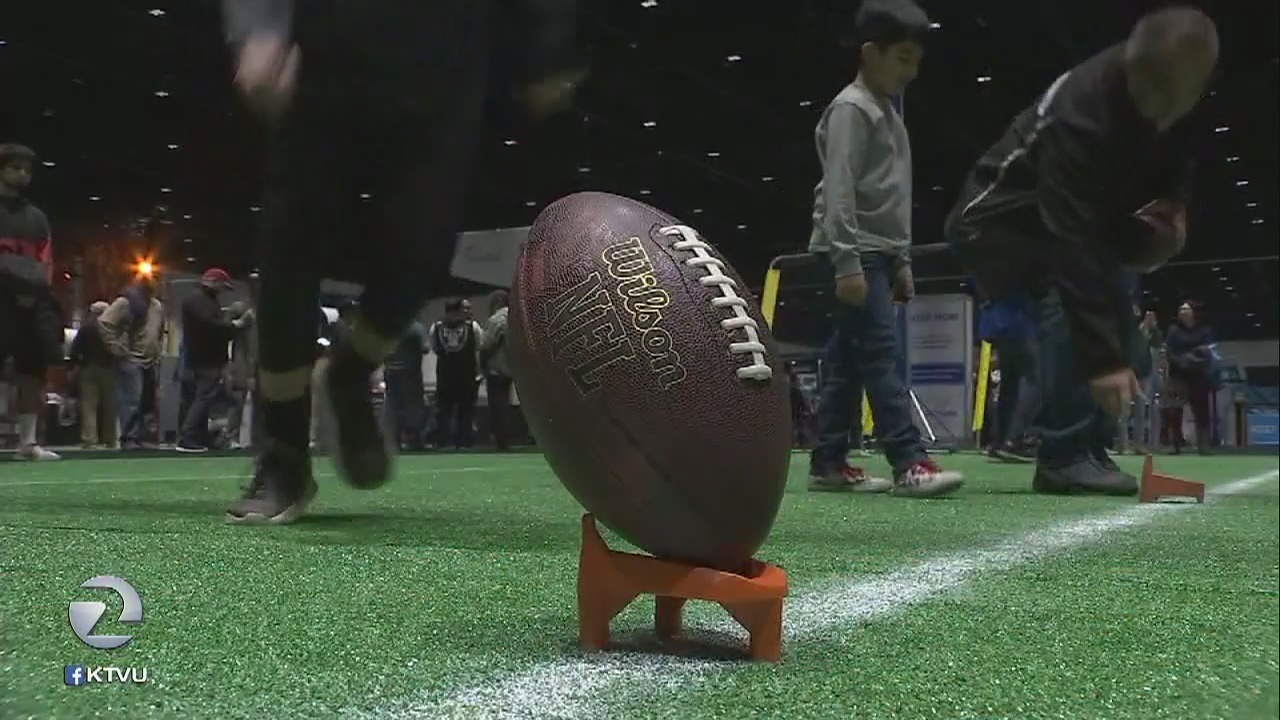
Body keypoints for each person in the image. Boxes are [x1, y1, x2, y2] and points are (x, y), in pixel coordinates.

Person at [220, 0, 582, 524]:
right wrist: (259, 27)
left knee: (425, 246)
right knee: (290, 243)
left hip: (443, 59)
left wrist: (549, 43)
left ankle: (351, 371)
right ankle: (283, 455)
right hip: (325, 50)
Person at [946, 7, 1217, 494]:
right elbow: (1070, 246)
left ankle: (1089, 446)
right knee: (1075, 308)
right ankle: (1063, 455)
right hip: (996, 224)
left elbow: (1178, 148)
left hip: (1075, 221)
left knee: (1131, 351)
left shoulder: (1177, 93)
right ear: (1133, 68)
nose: (1158, 111)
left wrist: (1175, 205)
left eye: (1172, 101)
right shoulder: (1080, 115)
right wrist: (1098, 362)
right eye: (1148, 96)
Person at [805, 0, 963, 497]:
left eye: (916, 60)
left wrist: (903, 261)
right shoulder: (852, 109)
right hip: (853, 251)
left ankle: (828, 462)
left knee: (849, 363)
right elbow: (840, 190)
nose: (911, 71)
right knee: (880, 357)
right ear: (870, 53)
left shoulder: (888, 114)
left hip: (878, 252)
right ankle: (908, 461)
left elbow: (893, 196)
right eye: (902, 58)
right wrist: (848, 262)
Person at [0, 143, 64, 461]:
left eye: (27, 170)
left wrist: (35, 293)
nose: (23, 175)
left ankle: (27, 443)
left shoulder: (37, 218)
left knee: (31, 372)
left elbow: (46, 261)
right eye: (15, 168)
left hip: (30, 304)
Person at [177, 268, 242, 453]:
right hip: (205, 358)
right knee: (203, 398)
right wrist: (233, 326)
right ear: (213, 282)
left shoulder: (200, 299)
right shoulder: (199, 300)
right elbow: (209, 326)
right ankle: (188, 437)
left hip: (204, 357)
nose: (222, 291)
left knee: (202, 398)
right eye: (222, 286)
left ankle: (198, 436)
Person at [99, 277, 165, 450]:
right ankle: (129, 437)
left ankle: (143, 436)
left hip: (150, 360)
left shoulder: (157, 306)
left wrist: (158, 350)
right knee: (131, 400)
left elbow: (159, 331)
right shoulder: (125, 303)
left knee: (147, 401)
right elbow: (105, 323)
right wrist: (117, 348)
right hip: (131, 359)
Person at [980, 295, 1040, 462]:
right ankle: (1015, 439)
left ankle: (1000, 441)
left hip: (998, 320)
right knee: (1036, 377)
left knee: (1010, 381)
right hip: (1021, 316)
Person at [430, 299, 484, 450]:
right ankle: (454, 441)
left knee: (458, 410)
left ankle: (455, 441)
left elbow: (435, 348)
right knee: (451, 410)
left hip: (456, 374)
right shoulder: (470, 327)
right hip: (455, 374)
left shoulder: (438, 327)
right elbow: (479, 346)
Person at [1164, 301, 1215, 454]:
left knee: (1202, 410)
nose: (1182, 312)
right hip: (1178, 374)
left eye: (1186, 309)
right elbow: (1170, 351)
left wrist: (1189, 359)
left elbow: (1207, 352)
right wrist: (1182, 361)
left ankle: (1203, 444)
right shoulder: (1173, 331)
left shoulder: (1204, 331)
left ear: (1194, 312)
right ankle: (1176, 444)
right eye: (1180, 309)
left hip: (1198, 375)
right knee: (1175, 410)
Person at [68, 301, 118, 449]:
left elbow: (75, 348)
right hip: (108, 369)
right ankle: (111, 439)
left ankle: (90, 439)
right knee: (110, 405)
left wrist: (73, 365)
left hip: (88, 368)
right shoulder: (111, 327)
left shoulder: (86, 327)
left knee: (89, 406)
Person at [383, 318, 429, 451]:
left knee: (392, 403)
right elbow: (425, 348)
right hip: (409, 371)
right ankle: (413, 439)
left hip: (390, 370)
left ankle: (393, 439)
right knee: (413, 405)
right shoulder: (415, 327)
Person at [479, 290, 515, 451]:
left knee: (498, 406)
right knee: (507, 404)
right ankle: (508, 437)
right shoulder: (516, 317)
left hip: (496, 368)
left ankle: (501, 440)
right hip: (513, 367)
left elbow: (486, 344)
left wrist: (482, 363)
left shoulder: (496, 319)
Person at [224, 301, 256, 449]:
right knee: (237, 402)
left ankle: (249, 439)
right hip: (240, 366)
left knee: (255, 405)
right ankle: (231, 437)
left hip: (251, 365)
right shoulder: (237, 327)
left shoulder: (254, 323)